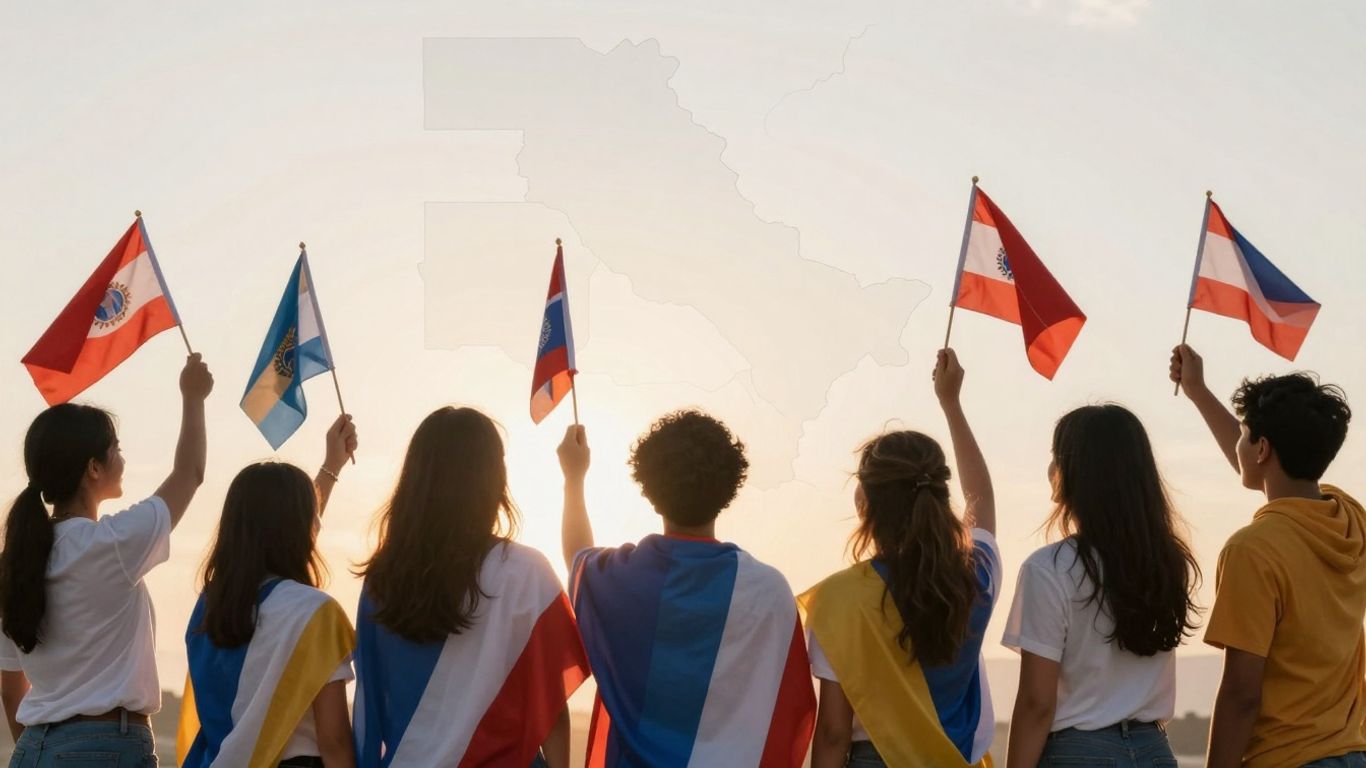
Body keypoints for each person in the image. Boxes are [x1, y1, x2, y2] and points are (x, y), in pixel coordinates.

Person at [559, 411, 816, 767]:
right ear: (729, 489)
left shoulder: (621, 578)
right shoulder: (768, 590)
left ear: (649, 490)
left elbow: (577, 557)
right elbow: (789, 705)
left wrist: (574, 478)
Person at [0, 354, 213, 766]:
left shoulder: (14, 564)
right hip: (106, 745)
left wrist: (49, 751)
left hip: (32, 749)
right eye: (116, 448)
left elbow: (11, 689)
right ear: (93, 468)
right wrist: (194, 397)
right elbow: (190, 473)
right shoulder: (110, 545)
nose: (123, 458)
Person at [352, 407, 588, 768]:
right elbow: (550, 704)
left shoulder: (383, 580)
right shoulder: (527, 572)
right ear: (492, 479)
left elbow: (370, 704)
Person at [800, 348, 999, 768]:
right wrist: (951, 404)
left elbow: (834, 732)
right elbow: (981, 497)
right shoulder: (977, 574)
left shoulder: (838, 599)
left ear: (866, 504)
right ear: (940, 495)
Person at [1171, 345, 1363, 768]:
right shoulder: (1350, 520)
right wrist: (1199, 392)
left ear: (1261, 449)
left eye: (1245, 435)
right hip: (1352, 753)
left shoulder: (1252, 550)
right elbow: (1266, 469)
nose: (1239, 443)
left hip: (1286, 759)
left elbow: (1241, 694)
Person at [1003, 404, 1201, 767]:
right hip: (1154, 751)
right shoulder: (1167, 562)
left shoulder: (1049, 568)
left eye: (1056, 456)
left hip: (1080, 753)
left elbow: (1037, 703)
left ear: (1075, 473)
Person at [177, 415, 359, 768]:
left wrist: (331, 468)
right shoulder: (315, 614)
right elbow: (334, 741)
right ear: (301, 526)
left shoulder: (210, 607)